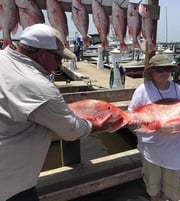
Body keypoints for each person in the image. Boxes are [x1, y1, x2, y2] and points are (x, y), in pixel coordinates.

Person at [0, 24, 112, 201]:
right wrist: (99, 124)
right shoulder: (39, 87)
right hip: (12, 186)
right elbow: (71, 131)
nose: (61, 63)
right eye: (59, 58)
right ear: (42, 54)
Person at [128, 54, 180, 201]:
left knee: (174, 192)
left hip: (173, 151)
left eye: (168, 69)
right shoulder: (142, 90)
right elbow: (131, 116)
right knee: (154, 191)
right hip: (150, 150)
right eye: (160, 69)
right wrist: (142, 123)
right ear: (152, 72)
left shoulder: (177, 89)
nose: (165, 72)